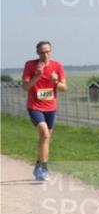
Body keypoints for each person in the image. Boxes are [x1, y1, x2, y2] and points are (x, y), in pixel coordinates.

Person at [22, 40, 67, 181]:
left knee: (45, 139)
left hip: (50, 107)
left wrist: (55, 82)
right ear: (37, 53)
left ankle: (38, 166)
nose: (45, 54)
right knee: (44, 133)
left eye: (48, 51)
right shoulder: (30, 65)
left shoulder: (57, 66)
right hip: (35, 106)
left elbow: (64, 88)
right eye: (42, 52)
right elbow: (25, 87)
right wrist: (37, 75)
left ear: (51, 51)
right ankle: (45, 169)